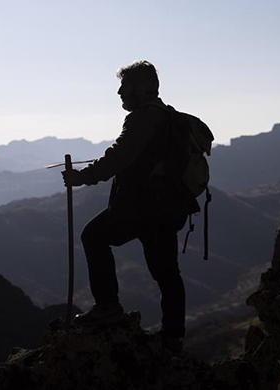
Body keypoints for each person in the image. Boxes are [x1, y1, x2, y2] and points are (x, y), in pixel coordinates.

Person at [62, 60, 198, 353]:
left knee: (94, 236)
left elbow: (118, 156)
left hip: (140, 207)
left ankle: (108, 306)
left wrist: (81, 177)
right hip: (167, 208)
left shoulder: (141, 118)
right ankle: (172, 337)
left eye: (124, 86)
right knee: (166, 273)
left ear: (139, 88)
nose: (120, 93)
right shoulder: (168, 116)